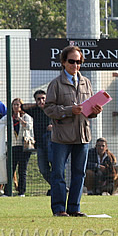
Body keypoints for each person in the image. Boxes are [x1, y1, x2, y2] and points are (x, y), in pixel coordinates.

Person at [44, 45, 103, 217]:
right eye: (72, 61)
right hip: (61, 137)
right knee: (58, 174)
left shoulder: (87, 82)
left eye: (78, 62)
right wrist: (70, 110)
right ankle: (59, 209)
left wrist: (95, 111)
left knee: (79, 173)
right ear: (63, 62)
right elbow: (49, 109)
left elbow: (89, 111)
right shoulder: (55, 84)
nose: (75, 65)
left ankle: (74, 208)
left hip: (82, 136)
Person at [22, 90, 53, 194]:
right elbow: (23, 106)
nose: (41, 101)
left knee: (55, 165)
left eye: (43, 98)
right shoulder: (35, 110)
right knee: (43, 169)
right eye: (39, 99)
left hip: (52, 142)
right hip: (39, 143)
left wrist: (54, 127)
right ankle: (56, 186)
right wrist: (37, 104)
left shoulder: (51, 109)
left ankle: (58, 187)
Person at [9, 98, 34, 197]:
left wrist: (20, 119)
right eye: (14, 105)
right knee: (11, 169)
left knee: (22, 169)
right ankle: (8, 191)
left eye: (18, 105)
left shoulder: (26, 116)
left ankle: (22, 191)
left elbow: (29, 127)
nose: (16, 107)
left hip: (24, 146)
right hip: (13, 146)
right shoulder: (9, 117)